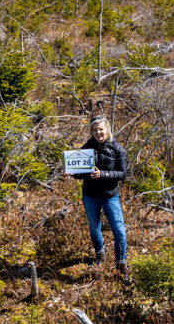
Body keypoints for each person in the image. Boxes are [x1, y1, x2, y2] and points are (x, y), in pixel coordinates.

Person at [73, 115, 128, 277]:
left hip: (110, 196)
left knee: (119, 230)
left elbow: (123, 174)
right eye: (95, 130)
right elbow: (78, 173)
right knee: (94, 226)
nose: (98, 132)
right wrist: (71, 173)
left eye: (101, 129)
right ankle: (100, 254)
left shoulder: (117, 149)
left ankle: (121, 263)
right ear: (91, 132)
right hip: (90, 196)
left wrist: (102, 174)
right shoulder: (86, 148)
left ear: (107, 130)